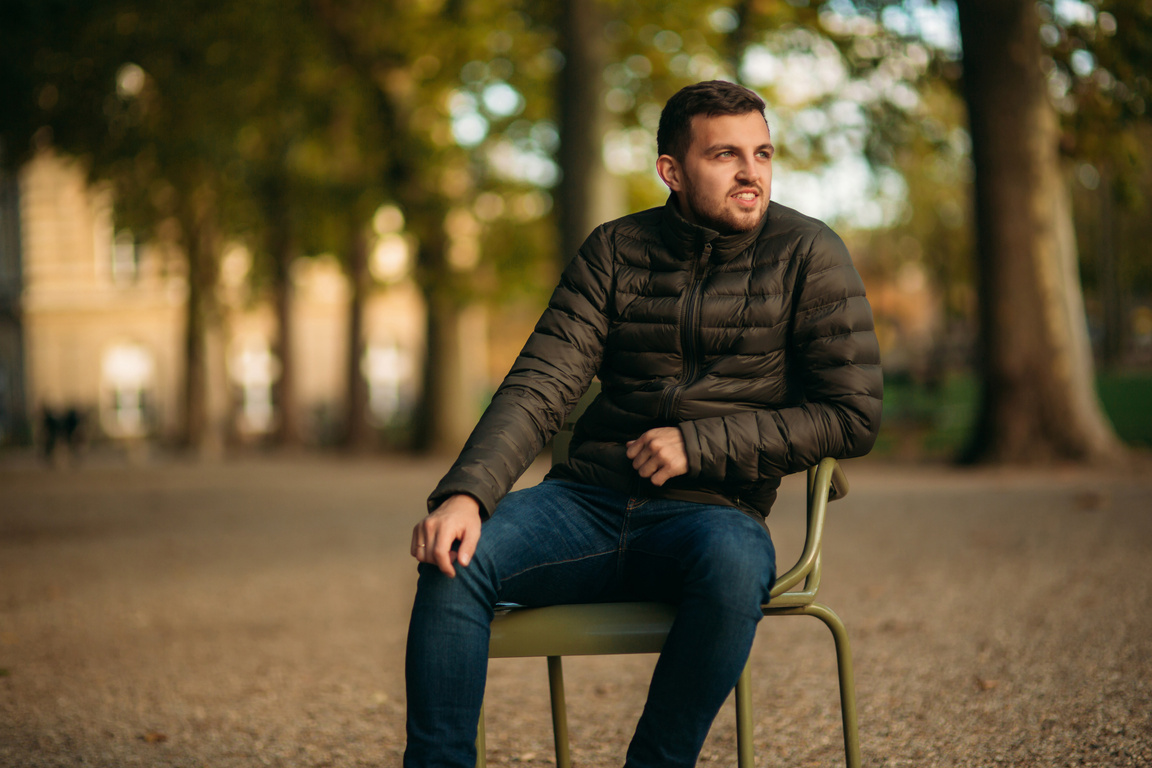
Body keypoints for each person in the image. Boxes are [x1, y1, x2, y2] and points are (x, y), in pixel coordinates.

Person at [405, 80, 882, 768]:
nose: (752, 173)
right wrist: (465, 496)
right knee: (454, 558)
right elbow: (540, 384)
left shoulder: (808, 253)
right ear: (672, 170)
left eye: (763, 153)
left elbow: (852, 415)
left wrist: (703, 444)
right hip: (585, 504)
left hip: (713, 515)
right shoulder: (616, 250)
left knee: (737, 562)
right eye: (726, 155)